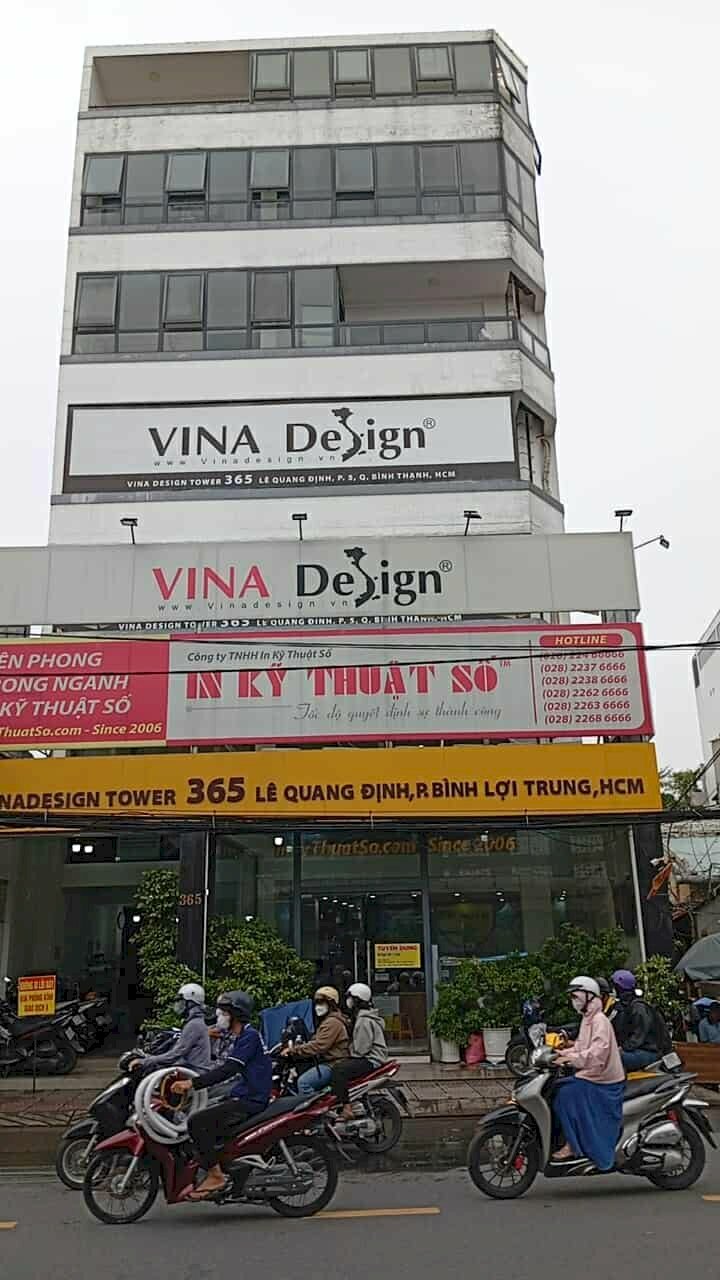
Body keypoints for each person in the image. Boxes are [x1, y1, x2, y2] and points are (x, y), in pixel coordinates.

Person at [173, 990, 272, 1199]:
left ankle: (216, 1176)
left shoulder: (249, 1037)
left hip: (250, 1099)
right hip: (242, 1093)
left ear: (235, 1014)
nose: (219, 1016)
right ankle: (229, 1168)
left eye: (224, 1012)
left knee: (197, 1122)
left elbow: (228, 1069)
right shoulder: (241, 1035)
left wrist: (192, 1083)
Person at [552, 976, 625, 1171]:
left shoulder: (599, 1021)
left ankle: (573, 1145)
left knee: (564, 1096)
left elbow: (596, 1054)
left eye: (576, 996)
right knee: (559, 1089)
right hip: (592, 1075)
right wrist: (560, 1054)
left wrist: (570, 1059)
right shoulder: (588, 1019)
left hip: (604, 1080)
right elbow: (581, 1047)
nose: (573, 1001)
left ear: (589, 996)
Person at [329, 982, 388, 1121]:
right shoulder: (365, 1016)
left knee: (339, 1070)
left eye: (351, 998)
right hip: (370, 1057)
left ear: (358, 1000)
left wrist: (348, 1051)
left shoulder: (364, 1021)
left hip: (371, 1059)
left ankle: (347, 1108)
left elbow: (361, 1050)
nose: (348, 1001)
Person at [130, 982, 211, 1074]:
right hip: (190, 1068)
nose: (178, 1004)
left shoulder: (194, 1025)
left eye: (181, 1001)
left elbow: (175, 1054)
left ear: (191, 1003)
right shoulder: (194, 1022)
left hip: (194, 1072)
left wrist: (145, 1061)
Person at [282, 986, 350, 1095]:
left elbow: (319, 1045)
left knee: (303, 1083)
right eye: (316, 1003)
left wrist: (293, 1050)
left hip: (332, 1064)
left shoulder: (332, 1022)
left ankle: (313, 1106)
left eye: (321, 1003)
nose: (318, 1007)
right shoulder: (326, 1021)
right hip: (326, 1061)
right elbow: (315, 1040)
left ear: (331, 1004)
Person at [612, 968, 667, 1070]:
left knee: (613, 1059)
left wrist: (622, 1048)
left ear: (619, 988)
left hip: (648, 1052)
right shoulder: (624, 1006)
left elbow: (637, 1037)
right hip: (637, 1050)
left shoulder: (638, 1007)